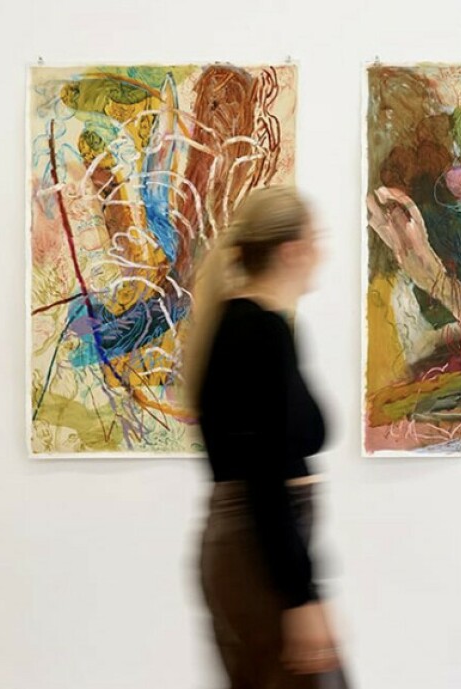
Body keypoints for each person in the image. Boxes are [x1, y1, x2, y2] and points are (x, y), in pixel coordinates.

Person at [185, 186, 346, 688]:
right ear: (291, 251)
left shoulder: (255, 325)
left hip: (260, 550)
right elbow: (264, 476)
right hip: (259, 555)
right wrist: (302, 597)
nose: (322, 251)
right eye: (316, 238)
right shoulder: (256, 332)